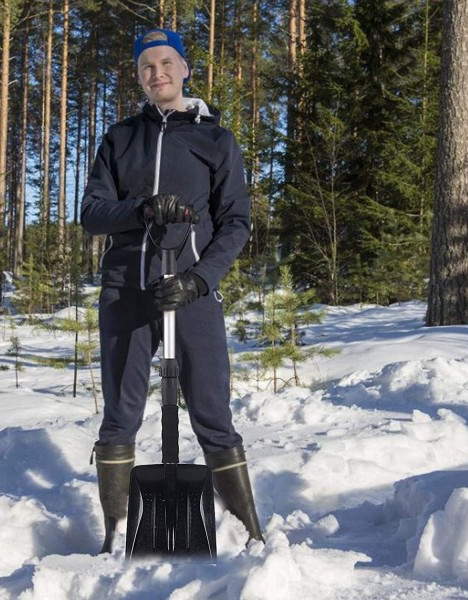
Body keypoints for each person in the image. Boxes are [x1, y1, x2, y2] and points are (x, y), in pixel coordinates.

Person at [81, 28, 264, 553]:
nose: (156, 72)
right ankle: (115, 534)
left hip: (192, 292)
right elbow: (92, 213)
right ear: (138, 77)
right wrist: (140, 209)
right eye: (145, 66)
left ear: (185, 68)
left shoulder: (215, 140)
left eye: (165, 62)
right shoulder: (120, 138)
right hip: (126, 291)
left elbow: (236, 222)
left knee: (212, 411)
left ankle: (249, 532)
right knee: (120, 413)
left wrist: (199, 279)